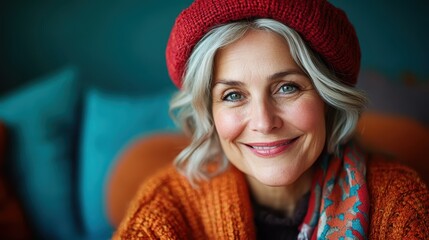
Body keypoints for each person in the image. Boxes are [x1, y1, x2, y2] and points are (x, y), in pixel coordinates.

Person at [113, 0, 429, 239]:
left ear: (327, 99)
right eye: (233, 95)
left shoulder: (398, 201)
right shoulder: (168, 205)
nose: (264, 122)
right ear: (210, 113)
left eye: (287, 88)